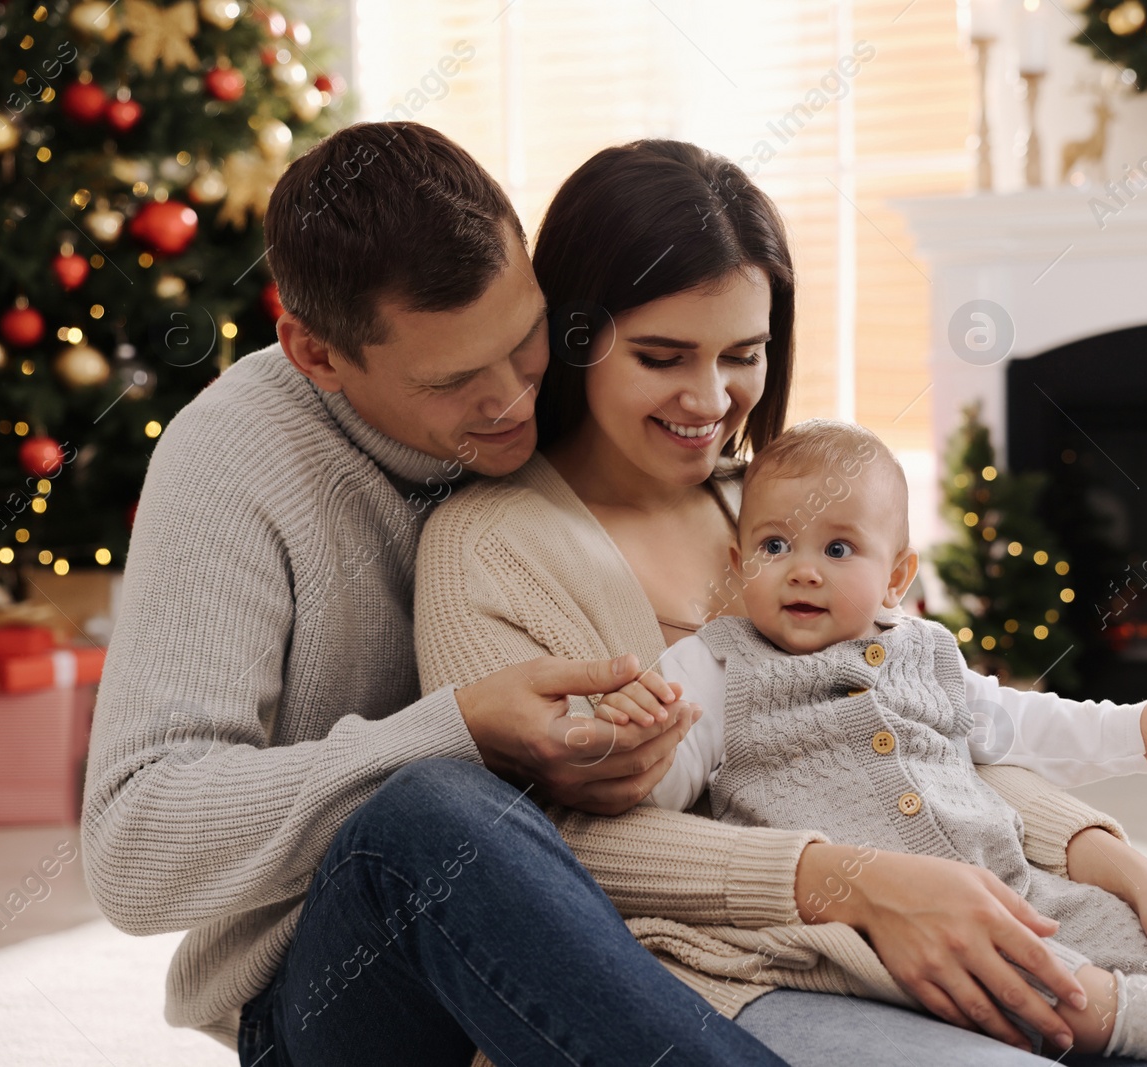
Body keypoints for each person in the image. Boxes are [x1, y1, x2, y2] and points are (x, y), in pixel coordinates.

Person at [415, 137, 1147, 1066]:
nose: (710, 400)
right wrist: (857, 882)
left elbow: (936, 719)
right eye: (663, 357)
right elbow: (530, 851)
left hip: (991, 897)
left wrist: (1115, 863)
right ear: (578, 334)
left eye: (744, 354)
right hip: (750, 964)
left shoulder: (791, 498)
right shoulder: (491, 546)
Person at [80, 122, 790, 1067]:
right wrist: (457, 728)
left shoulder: (613, 425)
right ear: (316, 352)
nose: (516, 402)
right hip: (339, 991)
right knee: (430, 814)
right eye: (457, 379)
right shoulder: (235, 459)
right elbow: (134, 844)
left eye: (526, 339)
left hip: (595, 950)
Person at [631, 418, 1147, 1064]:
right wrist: (630, 746)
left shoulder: (927, 652)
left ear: (896, 577)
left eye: (839, 547)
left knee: (1119, 930)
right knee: (1045, 990)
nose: (803, 568)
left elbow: (1021, 726)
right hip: (875, 928)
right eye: (775, 544)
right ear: (738, 560)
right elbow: (656, 770)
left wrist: (1128, 730)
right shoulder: (718, 665)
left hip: (1009, 878)